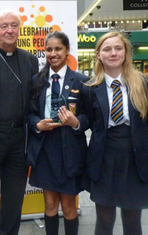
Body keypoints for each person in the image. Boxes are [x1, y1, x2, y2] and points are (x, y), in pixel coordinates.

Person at [82, 31, 148, 235]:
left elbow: (146, 122)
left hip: (136, 158)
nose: (113, 53)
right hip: (104, 158)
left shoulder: (144, 84)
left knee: (133, 220)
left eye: (118, 48)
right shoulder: (90, 89)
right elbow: (92, 123)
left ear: (126, 52)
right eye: (107, 49)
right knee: (104, 220)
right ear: (99, 54)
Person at [0, 9, 39, 235]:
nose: (9, 30)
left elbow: (35, 98)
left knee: (14, 197)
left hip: (19, 137)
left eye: (14, 25)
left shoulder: (31, 60)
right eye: (4, 26)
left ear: (19, 29)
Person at [27, 31, 89, 235]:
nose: (53, 53)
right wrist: (37, 125)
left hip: (70, 150)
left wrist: (76, 122)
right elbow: (29, 114)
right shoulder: (37, 80)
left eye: (58, 49)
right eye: (49, 49)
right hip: (45, 150)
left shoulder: (81, 81)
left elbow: (91, 117)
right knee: (50, 203)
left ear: (67, 50)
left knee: (69, 205)